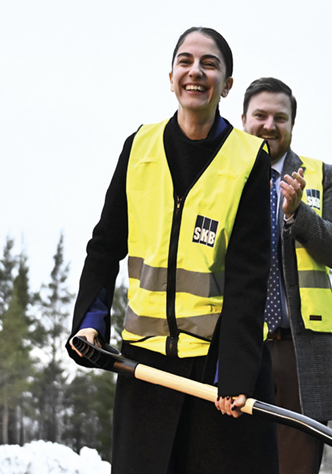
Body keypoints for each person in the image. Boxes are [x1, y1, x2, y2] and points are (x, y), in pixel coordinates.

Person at [66, 27, 277, 474]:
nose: (195, 72)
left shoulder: (248, 159)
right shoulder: (139, 147)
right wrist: (89, 324)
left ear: (228, 84)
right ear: (171, 76)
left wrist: (235, 374)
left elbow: (249, 274)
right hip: (144, 365)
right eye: (185, 61)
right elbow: (104, 247)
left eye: (209, 64)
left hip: (217, 368)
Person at [240, 77, 332, 474]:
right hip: (238, 345)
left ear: (292, 124)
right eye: (261, 115)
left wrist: (297, 214)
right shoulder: (220, 176)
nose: (270, 125)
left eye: (280, 117)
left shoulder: (322, 175)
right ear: (243, 119)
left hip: (301, 349)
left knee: (297, 467)